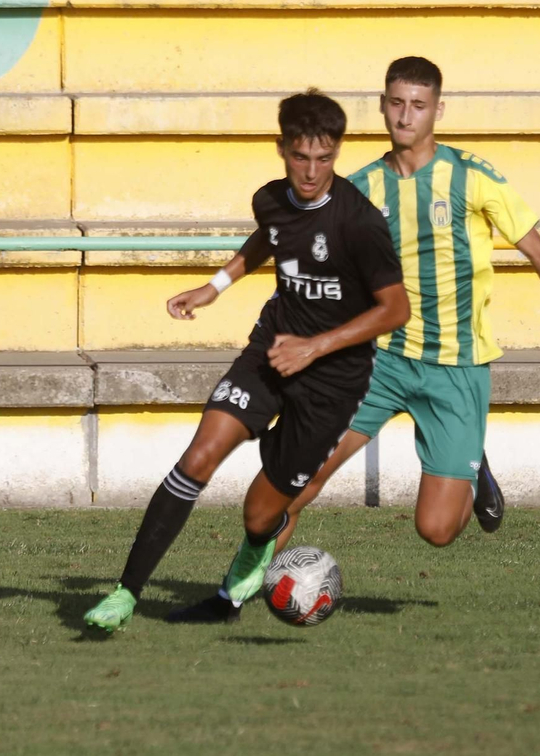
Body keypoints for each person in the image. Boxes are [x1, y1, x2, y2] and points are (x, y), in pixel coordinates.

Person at [83, 90, 408, 631]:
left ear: (337, 151)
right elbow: (270, 237)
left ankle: (237, 583)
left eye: (324, 158)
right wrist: (215, 285)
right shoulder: (270, 199)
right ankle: (125, 594)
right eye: (300, 157)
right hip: (269, 352)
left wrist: (315, 347)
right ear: (281, 148)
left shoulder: (359, 223)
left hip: (332, 382)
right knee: (199, 457)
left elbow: (395, 309)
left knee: (260, 515)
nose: (312, 171)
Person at [276, 56, 540, 550]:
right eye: (397, 103)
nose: (406, 116)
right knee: (300, 478)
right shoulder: (358, 188)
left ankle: (472, 468)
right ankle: (241, 585)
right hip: (379, 360)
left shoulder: (471, 177)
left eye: (418, 105)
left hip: (455, 366)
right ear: (382, 106)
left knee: (437, 529)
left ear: (437, 110)